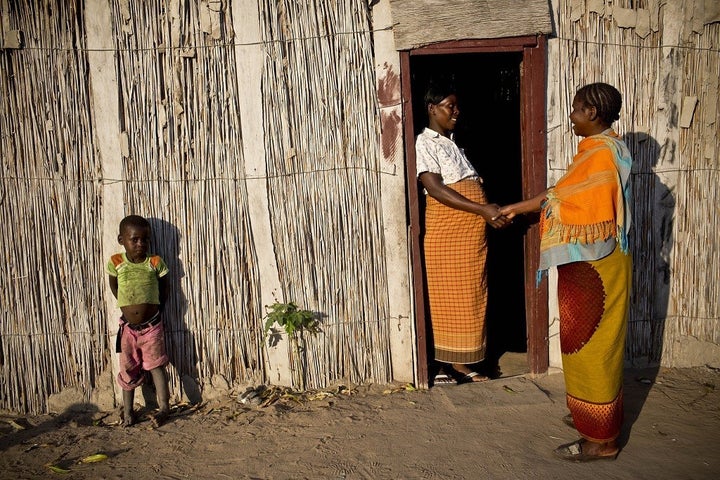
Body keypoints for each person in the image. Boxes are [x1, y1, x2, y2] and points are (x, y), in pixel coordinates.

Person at [500, 82, 633, 461]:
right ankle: (589, 414)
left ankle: (602, 439)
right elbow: (562, 194)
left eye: (575, 110)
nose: (571, 117)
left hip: (598, 265)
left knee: (594, 347)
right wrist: (516, 207)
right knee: (580, 344)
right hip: (589, 262)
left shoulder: (603, 156)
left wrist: (515, 208)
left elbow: (566, 201)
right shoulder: (597, 150)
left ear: (592, 113)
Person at [416, 82, 511, 385]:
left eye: (457, 106)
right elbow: (435, 188)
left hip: (469, 234)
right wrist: (482, 210)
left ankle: (462, 362)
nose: (456, 111)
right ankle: (445, 365)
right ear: (432, 109)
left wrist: (487, 211)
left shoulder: (453, 143)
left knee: (470, 293)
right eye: (449, 106)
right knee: (446, 294)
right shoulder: (424, 143)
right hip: (449, 234)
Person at [107, 215, 171, 427]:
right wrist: (129, 307)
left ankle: (163, 408)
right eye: (134, 239)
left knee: (156, 365)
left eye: (145, 239)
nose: (140, 244)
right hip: (128, 329)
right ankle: (128, 412)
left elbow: (165, 287)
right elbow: (115, 287)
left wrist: (154, 309)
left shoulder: (154, 262)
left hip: (152, 327)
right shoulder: (116, 262)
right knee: (128, 368)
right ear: (121, 240)